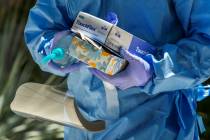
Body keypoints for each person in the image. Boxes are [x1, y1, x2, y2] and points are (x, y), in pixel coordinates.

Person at [24, 0, 210, 139]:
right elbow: (40, 30)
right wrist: (52, 46)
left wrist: (154, 70)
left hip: (156, 124)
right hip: (81, 124)